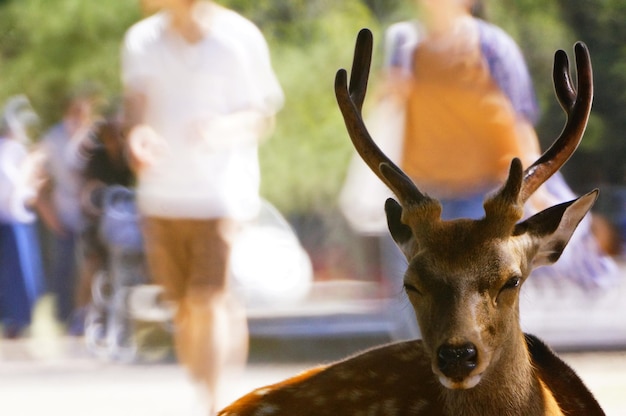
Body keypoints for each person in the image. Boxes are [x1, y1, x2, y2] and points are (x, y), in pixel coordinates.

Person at [358, 0, 618, 337]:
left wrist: (537, 186)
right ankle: (423, 380)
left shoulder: (493, 48)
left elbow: (519, 119)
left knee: (473, 300)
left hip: (479, 195)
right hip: (422, 195)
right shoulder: (408, 47)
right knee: (414, 303)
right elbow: (388, 115)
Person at [121, 0, 284, 412]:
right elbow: (136, 109)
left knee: (207, 297)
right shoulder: (141, 40)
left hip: (222, 194)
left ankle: (213, 404)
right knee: (184, 308)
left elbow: (263, 115)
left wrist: (221, 129)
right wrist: (137, 136)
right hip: (160, 196)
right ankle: (213, 380)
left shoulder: (239, 37)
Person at [36, 85, 102, 334]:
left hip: (92, 215)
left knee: (92, 268)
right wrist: (50, 217)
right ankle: (65, 321)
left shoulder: (95, 136)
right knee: (64, 269)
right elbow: (38, 181)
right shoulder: (53, 139)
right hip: (65, 216)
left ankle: (90, 318)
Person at [0, 96, 45, 338]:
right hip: (11, 221)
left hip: (14, 220)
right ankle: (15, 320)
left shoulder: (13, 150)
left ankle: (17, 320)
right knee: (17, 274)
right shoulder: (11, 150)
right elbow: (15, 188)